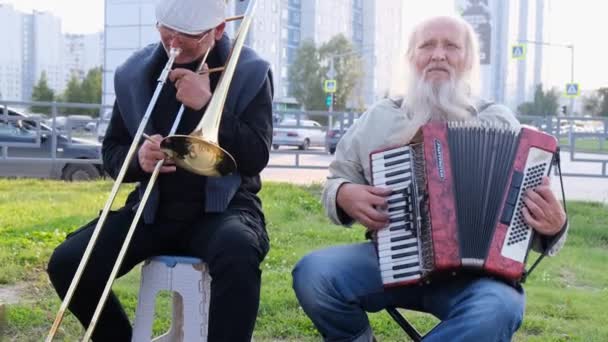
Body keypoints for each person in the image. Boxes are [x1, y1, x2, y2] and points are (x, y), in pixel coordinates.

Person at [292, 16, 568, 342]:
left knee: (499, 309)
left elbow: (534, 223)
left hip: (475, 279)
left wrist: (555, 227)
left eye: (451, 46)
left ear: (468, 60)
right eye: (427, 45)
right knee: (315, 274)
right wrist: (343, 194)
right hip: (390, 261)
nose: (438, 54)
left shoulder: (500, 122)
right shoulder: (381, 118)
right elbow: (335, 180)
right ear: (411, 57)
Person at [47, 0, 273, 340]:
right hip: (153, 208)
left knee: (238, 253)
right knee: (68, 263)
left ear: (219, 30)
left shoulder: (251, 70)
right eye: (167, 33)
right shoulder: (133, 73)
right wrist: (139, 159)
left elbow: (256, 156)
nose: (175, 45)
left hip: (225, 208)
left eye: (187, 36)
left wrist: (210, 106)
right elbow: (112, 152)